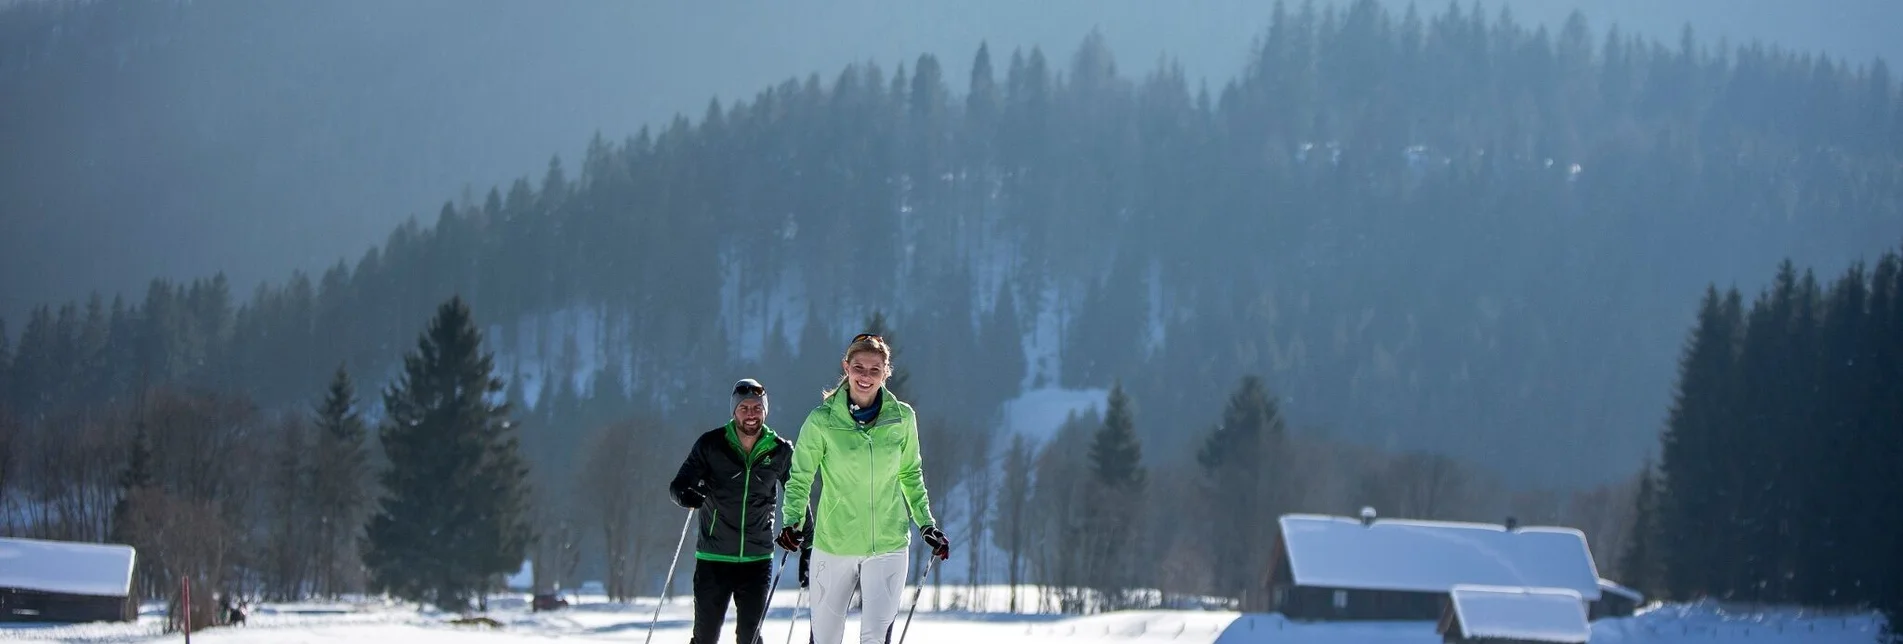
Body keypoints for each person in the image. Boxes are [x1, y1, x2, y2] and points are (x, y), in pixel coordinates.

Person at [777, 334, 950, 644]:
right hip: (834, 544)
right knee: (826, 638)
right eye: (859, 367)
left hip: (888, 543)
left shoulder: (902, 418)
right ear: (846, 367)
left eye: (874, 369)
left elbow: (910, 473)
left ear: (886, 372)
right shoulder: (821, 421)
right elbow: (800, 477)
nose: (865, 377)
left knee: (875, 639)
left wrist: (926, 524)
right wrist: (793, 522)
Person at [670, 378, 795, 644]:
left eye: (757, 408)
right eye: (745, 408)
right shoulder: (711, 445)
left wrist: (805, 540)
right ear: (734, 411)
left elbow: (797, 495)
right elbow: (678, 486)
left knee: (749, 638)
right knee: (705, 637)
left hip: (757, 560)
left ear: (765, 411)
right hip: (713, 558)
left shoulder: (780, 450)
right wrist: (685, 496)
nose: (751, 414)